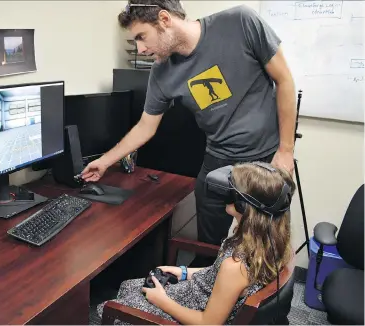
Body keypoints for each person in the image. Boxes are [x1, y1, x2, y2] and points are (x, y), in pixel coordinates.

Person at [81, 1, 297, 260]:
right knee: (206, 249)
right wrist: (104, 162)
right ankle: (204, 288)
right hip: (217, 158)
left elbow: (284, 80)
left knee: (264, 251)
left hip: (264, 157)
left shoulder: (241, 22)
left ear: (164, 19)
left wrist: (286, 150)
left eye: (141, 37)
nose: (140, 48)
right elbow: (145, 127)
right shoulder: (161, 73)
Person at [97, 162, 296, 325]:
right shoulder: (268, 243)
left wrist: (162, 301)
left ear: (244, 206)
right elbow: (220, 275)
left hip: (199, 311)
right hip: (205, 293)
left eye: (232, 190)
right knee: (129, 287)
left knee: (111, 309)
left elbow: (207, 323)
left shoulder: (236, 267)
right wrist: (185, 271)